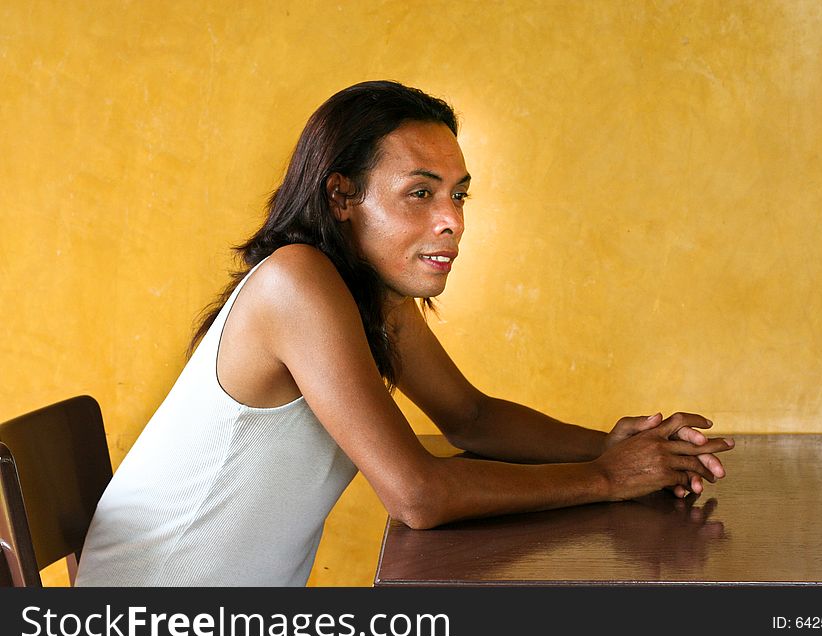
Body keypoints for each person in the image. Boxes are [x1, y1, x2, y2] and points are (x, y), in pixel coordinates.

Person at [75, 80, 734, 587]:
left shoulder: (364, 290)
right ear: (342, 196)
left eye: (459, 194)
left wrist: (618, 447)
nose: (452, 220)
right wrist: (605, 477)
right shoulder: (296, 282)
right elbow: (418, 494)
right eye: (420, 192)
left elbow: (469, 416)